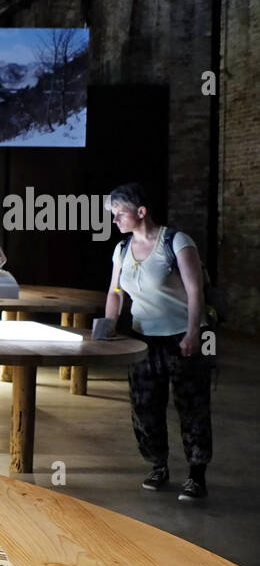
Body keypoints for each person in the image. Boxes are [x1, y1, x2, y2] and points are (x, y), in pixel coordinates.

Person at [103, 182, 213, 501]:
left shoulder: (177, 242)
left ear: (141, 211)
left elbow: (195, 291)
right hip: (142, 339)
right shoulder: (122, 249)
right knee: (145, 405)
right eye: (113, 215)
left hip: (183, 336)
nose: (115, 220)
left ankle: (196, 475)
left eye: (119, 214)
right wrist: (110, 323)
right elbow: (115, 291)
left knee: (192, 406)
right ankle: (158, 465)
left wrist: (194, 332)